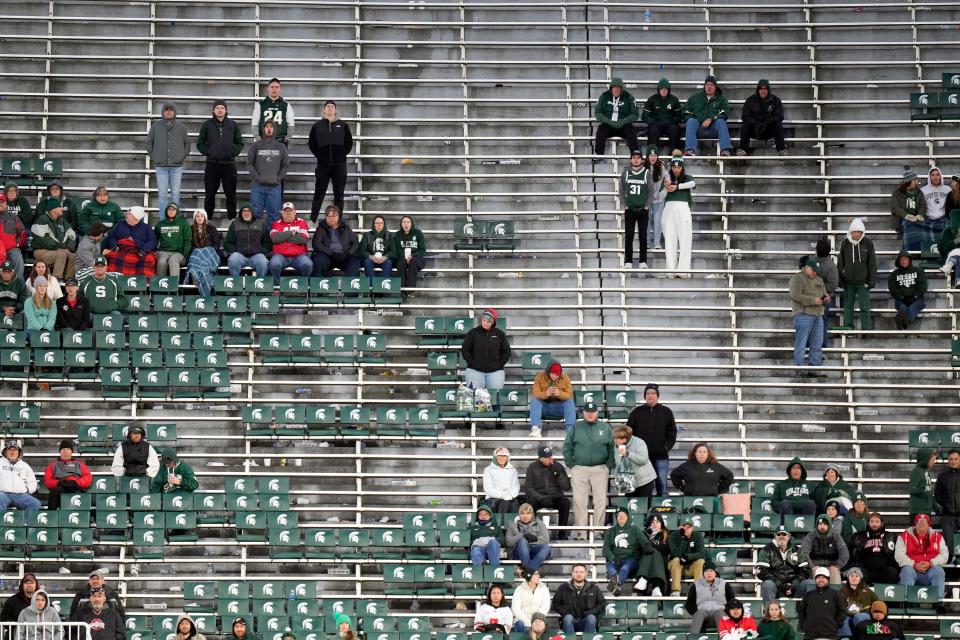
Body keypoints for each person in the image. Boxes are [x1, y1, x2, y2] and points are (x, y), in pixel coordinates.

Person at [564, 402, 614, 538]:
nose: (590, 414)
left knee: (600, 501)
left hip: (600, 468)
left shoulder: (605, 427)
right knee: (579, 501)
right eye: (588, 411)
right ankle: (582, 532)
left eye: (593, 411)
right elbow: (567, 446)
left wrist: (608, 465)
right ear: (583, 413)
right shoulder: (576, 427)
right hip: (579, 468)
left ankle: (598, 531)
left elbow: (611, 447)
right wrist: (571, 464)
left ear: (597, 412)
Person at [626, 383, 676, 496]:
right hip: (641, 458)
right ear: (644, 396)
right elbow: (629, 432)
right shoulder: (636, 412)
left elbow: (672, 432)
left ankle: (661, 511)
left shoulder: (666, 412)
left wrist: (665, 447)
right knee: (641, 486)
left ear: (657, 395)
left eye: (653, 393)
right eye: (648, 393)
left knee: (662, 488)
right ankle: (642, 511)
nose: (650, 395)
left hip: (660, 457)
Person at [197, 99, 243, 220]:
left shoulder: (233, 125)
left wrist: (233, 152)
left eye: (222, 107)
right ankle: (208, 220)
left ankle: (232, 219)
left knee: (231, 194)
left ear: (226, 110)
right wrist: (208, 152)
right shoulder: (207, 125)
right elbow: (200, 143)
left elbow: (240, 143)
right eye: (217, 108)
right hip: (212, 165)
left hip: (229, 165)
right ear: (213, 110)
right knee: (210, 194)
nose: (220, 110)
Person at [309, 100, 353, 218]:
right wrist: (320, 155)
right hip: (323, 165)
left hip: (339, 165)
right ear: (324, 110)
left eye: (332, 106)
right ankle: (313, 218)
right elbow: (311, 143)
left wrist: (341, 154)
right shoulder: (317, 126)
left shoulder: (343, 125)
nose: (329, 108)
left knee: (339, 194)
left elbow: (349, 143)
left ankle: (338, 219)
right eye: (327, 106)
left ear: (335, 110)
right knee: (319, 192)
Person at [602, 506, 658, 596]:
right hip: (615, 559)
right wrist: (613, 558)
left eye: (623, 515)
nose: (621, 517)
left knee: (625, 568)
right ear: (616, 517)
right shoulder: (610, 531)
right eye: (619, 515)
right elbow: (605, 549)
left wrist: (647, 545)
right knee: (611, 570)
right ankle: (615, 587)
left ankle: (615, 584)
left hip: (630, 559)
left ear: (628, 517)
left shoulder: (634, 529)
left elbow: (643, 541)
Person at [147, 103, 190, 215]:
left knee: (175, 193)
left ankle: (175, 218)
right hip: (161, 166)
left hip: (176, 167)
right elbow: (149, 143)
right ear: (163, 112)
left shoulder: (181, 127)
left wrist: (182, 156)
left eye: (171, 110)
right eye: (167, 110)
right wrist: (155, 157)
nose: (169, 112)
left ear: (174, 112)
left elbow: (187, 143)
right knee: (162, 194)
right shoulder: (155, 126)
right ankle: (163, 219)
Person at [790, 257, 828, 376]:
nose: (816, 273)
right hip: (803, 314)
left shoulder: (819, 280)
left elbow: (824, 293)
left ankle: (814, 370)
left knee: (817, 345)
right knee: (801, 345)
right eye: (814, 270)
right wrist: (813, 301)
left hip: (818, 315)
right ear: (807, 268)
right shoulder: (797, 278)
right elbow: (795, 295)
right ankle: (799, 370)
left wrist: (826, 298)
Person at [894, 513, 947, 599]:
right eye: (919, 521)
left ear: (929, 525)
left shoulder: (938, 537)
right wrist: (914, 564)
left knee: (939, 570)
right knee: (906, 570)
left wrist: (931, 563)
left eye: (924, 521)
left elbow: (944, 555)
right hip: (913, 570)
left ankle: (938, 601)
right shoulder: (904, 536)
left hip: (930, 570)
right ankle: (906, 600)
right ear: (915, 524)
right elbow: (899, 555)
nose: (921, 523)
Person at [837, 218, 876, 331]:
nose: (856, 234)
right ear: (851, 232)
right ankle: (848, 327)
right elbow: (841, 262)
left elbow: (872, 263)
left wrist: (871, 280)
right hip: (848, 282)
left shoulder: (868, 243)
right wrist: (840, 280)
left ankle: (866, 328)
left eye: (859, 232)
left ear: (862, 232)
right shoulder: (845, 243)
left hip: (863, 282)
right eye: (854, 231)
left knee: (864, 306)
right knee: (848, 306)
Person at [523, 445, 572, 538]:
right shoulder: (532, 467)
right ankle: (530, 533)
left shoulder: (557, 466)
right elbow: (529, 488)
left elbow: (566, 487)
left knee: (566, 503)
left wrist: (558, 474)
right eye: (548, 457)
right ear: (541, 459)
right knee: (529, 503)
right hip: (539, 497)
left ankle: (562, 534)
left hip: (555, 498)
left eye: (551, 456)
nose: (551, 459)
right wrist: (540, 498)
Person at [247, 120, 289, 225]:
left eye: (271, 127)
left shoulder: (281, 147)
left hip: (275, 187)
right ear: (263, 129)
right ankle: (257, 240)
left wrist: (278, 178)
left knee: (274, 215)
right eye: (267, 127)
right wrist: (257, 177)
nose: (269, 129)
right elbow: (249, 163)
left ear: (274, 129)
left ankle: (271, 240)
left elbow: (285, 165)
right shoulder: (256, 146)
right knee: (256, 214)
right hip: (258, 186)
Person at [756, 526, 812, 605]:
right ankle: (768, 614)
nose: (781, 537)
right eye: (779, 534)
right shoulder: (767, 550)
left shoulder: (798, 550)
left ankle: (809, 615)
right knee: (767, 584)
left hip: (795, 587)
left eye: (784, 534)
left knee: (809, 583)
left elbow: (805, 570)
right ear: (775, 536)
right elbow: (761, 572)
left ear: (789, 536)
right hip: (776, 587)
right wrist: (780, 584)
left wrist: (794, 585)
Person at [460, 307, 510, 390]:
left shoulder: (499, 334)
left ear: (493, 322)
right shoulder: (473, 333)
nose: (485, 323)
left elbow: (507, 351)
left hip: (495, 372)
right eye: (483, 320)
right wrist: (472, 363)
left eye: (488, 321)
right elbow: (465, 350)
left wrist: (499, 365)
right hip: (475, 371)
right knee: (477, 399)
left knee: (494, 398)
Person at [683, 75, 733, 157]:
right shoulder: (695, 98)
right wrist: (696, 120)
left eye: (712, 85)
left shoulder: (721, 99)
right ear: (704, 86)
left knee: (721, 121)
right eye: (707, 84)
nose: (709, 87)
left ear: (715, 87)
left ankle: (725, 150)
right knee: (691, 121)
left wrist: (711, 118)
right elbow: (685, 111)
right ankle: (690, 150)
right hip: (699, 129)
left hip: (714, 129)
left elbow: (725, 112)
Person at [662, 153, 695, 276]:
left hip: (683, 208)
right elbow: (660, 196)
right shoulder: (666, 179)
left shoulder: (687, 177)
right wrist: (666, 188)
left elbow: (693, 184)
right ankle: (670, 271)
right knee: (670, 241)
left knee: (685, 240)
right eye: (674, 167)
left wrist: (677, 187)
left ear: (682, 167)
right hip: (669, 209)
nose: (676, 169)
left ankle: (683, 271)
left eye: (678, 167)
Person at [104, 206, 158, 276]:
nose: (126, 215)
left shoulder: (146, 227)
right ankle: (117, 280)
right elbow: (112, 237)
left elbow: (152, 241)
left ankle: (143, 283)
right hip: (121, 250)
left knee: (148, 259)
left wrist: (144, 250)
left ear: (135, 217)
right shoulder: (119, 225)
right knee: (114, 257)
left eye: (129, 214)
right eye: (127, 213)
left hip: (139, 251)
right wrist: (114, 246)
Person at [737, 79, 786, 156]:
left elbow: (779, 116)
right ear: (758, 90)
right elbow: (745, 116)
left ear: (768, 90)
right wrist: (756, 123)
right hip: (755, 130)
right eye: (761, 89)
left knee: (778, 125)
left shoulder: (775, 100)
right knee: (746, 125)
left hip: (769, 130)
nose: (763, 91)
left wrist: (767, 123)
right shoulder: (751, 100)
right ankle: (743, 150)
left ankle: (782, 150)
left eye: (765, 89)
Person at [552, 564, 605, 634]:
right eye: (576, 572)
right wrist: (567, 612)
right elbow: (556, 604)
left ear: (586, 574)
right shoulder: (563, 588)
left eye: (581, 572)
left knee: (591, 618)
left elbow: (602, 604)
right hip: (570, 621)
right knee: (568, 618)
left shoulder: (594, 588)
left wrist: (590, 612)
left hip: (586, 621)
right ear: (572, 573)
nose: (579, 574)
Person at [528, 360, 575, 438]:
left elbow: (569, 394)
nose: (554, 376)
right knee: (534, 401)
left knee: (569, 402)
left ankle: (570, 430)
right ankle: (536, 428)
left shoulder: (565, 378)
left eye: (557, 375)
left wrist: (559, 394)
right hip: (544, 407)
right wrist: (546, 394)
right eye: (552, 373)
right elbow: (536, 393)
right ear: (548, 371)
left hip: (558, 408)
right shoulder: (539, 377)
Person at [268, 203, 312, 286]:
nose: (288, 213)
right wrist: (292, 233)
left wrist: (283, 238)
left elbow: (303, 239)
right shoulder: (276, 223)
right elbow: (275, 239)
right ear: (282, 213)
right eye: (286, 211)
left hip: (299, 255)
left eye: (290, 211)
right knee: (274, 264)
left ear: (294, 212)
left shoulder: (301, 222)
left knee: (308, 264)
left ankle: (303, 287)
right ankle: (276, 287)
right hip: (280, 255)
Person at [31, 202, 77, 280]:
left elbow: (72, 236)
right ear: (53, 209)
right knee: (61, 254)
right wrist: (59, 248)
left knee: (73, 256)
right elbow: (44, 240)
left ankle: (69, 280)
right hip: (41, 251)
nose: (62, 209)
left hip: (60, 250)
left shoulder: (62, 221)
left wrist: (68, 248)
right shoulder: (42, 220)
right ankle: (56, 280)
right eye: (60, 207)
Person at [593, 77, 639, 155]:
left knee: (631, 131)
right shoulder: (604, 96)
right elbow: (597, 113)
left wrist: (623, 121)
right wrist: (608, 121)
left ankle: (635, 156)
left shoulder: (628, 97)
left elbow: (635, 114)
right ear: (611, 88)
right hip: (608, 124)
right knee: (601, 130)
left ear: (621, 89)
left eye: (618, 87)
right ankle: (599, 155)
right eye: (614, 87)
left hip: (623, 124)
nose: (616, 89)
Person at [683, 559, 733, 631]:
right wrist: (697, 611)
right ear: (703, 573)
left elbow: (731, 601)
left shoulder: (724, 584)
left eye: (711, 571)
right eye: (706, 571)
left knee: (720, 613)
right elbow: (689, 604)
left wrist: (726, 611)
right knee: (699, 613)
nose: (709, 573)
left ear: (715, 573)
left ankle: (725, 638)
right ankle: (693, 637)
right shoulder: (696, 585)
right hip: (703, 615)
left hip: (720, 613)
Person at [669, 442, 734, 496]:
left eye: (704, 452)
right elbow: (674, 475)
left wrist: (719, 490)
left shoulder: (716, 466)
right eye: (699, 452)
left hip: (711, 500)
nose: (702, 454)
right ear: (695, 453)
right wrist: (682, 488)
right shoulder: (687, 466)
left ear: (708, 454)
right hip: (690, 499)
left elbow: (729, 476)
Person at [311, 205, 360, 277]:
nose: (331, 218)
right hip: (328, 256)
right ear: (326, 217)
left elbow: (355, 242)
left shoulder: (345, 227)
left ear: (338, 216)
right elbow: (316, 244)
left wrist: (348, 253)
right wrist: (331, 253)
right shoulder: (321, 228)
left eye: (334, 216)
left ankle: (349, 285)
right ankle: (319, 284)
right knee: (319, 260)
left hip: (344, 256)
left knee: (354, 262)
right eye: (329, 216)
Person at [620, 149, 650, 269]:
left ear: (642, 160)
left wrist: (647, 205)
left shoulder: (646, 172)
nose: (636, 160)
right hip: (630, 209)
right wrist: (625, 204)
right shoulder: (626, 172)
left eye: (638, 158)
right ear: (630, 159)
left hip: (643, 209)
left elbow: (651, 190)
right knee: (629, 236)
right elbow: (622, 190)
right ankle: (628, 261)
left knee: (643, 235)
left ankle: (643, 261)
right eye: (634, 157)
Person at [43, 439, 92, 509]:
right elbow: (48, 481)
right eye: (63, 449)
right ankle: (52, 515)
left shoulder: (79, 464)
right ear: (60, 452)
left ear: (71, 452)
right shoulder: (52, 465)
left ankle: (82, 517)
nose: (65, 451)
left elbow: (88, 478)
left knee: (79, 493)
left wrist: (76, 482)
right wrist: (59, 482)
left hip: (75, 486)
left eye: (68, 449)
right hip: (60, 488)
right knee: (55, 491)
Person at [798, 567, 845, 640]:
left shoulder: (835, 594)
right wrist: (804, 625)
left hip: (830, 635)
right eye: (818, 577)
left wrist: (835, 625)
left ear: (828, 579)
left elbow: (841, 611)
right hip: (810, 635)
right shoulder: (808, 594)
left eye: (823, 577)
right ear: (815, 579)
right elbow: (801, 611)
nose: (821, 580)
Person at [224, 203, 270, 277]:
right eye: (244, 211)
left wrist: (262, 251)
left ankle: (260, 284)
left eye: (248, 211)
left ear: (252, 212)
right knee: (233, 260)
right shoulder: (235, 224)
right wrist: (234, 250)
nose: (246, 213)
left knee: (263, 262)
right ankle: (236, 284)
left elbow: (267, 242)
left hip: (256, 255)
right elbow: (227, 243)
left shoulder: (261, 224)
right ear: (241, 213)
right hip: (239, 255)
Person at [800, 515, 849, 585]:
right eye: (820, 524)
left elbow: (845, 553)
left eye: (825, 524)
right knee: (816, 574)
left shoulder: (835, 536)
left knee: (835, 573)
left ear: (829, 525)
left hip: (832, 565)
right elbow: (803, 552)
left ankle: (835, 594)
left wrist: (837, 566)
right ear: (817, 525)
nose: (822, 526)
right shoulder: (811, 535)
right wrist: (812, 566)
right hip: (815, 565)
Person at [852, 514, 900, 585]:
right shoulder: (859, 536)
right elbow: (853, 554)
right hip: (866, 570)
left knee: (892, 572)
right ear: (868, 523)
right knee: (857, 573)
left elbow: (896, 554)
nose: (874, 524)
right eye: (872, 521)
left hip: (885, 570)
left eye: (877, 522)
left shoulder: (891, 536)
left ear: (882, 523)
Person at [185, 210, 222, 297]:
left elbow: (217, 245)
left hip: (210, 255)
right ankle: (201, 283)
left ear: (205, 217)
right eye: (197, 216)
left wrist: (205, 251)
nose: (200, 218)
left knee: (201, 256)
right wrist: (199, 252)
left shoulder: (212, 228)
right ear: (194, 218)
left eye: (202, 216)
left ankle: (197, 280)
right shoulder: (190, 229)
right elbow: (188, 244)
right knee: (197, 253)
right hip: (196, 255)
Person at [612, 425, 657, 497]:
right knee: (630, 505)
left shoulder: (639, 443)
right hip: (628, 481)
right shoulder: (616, 446)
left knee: (644, 505)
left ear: (624, 439)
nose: (614, 440)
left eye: (617, 438)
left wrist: (627, 454)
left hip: (644, 480)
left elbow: (643, 460)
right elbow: (618, 463)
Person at [887, 251, 927, 330]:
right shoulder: (894, 274)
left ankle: (902, 321)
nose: (903, 261)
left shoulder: (918, 271)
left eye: (905, 259)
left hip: (917, 299)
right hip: (901, 299)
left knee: (913, 308)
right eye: (901, 259)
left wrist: (915, 296)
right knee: (903, 308)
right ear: (898, 261)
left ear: (909, 260)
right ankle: (904, 322)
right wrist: (902, 297)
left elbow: (923, 286)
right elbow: (892, 288)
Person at [890, 170, 929, 252]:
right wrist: (906, 215)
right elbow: (895, 208)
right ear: (908, 181)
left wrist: (920, 214)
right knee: (908, 225)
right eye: (914, 180)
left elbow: (923, 205)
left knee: (922, 228)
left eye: (916, 180)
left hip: (916, 218)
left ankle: (921, 251)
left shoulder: (919, 192)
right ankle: (908, 251)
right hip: (901, 219)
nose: (916, 182)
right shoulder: (897, 193)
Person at [641, 79, 682, 154]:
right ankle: (654, 155)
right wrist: (653, 122)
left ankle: (674, 155)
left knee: (675, 129)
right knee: (652, 130)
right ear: (658, 89)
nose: (664, 91)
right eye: (662, 89)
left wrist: (671, 122)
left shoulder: (674, 99)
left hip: (669, 124)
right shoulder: (652, 99)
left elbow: (679, 116)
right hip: (656, 124)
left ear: (669, 90)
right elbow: (645, 116)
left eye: (666, 89)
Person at [668, 516, 707, 596]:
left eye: (689, 527)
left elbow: (702, 554)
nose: (686, 529)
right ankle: (676, 590)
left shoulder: (698, 536)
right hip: (675, 567)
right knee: (676, 560)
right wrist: (684, 539)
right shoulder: (673, 535)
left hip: (690, 567)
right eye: (684, 527)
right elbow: (675, 553)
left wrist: (688, 557)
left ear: (692, 528)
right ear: (679, 527)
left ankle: (698, 591)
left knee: (701, 561)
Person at [507, 503, 551, 572]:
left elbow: (545, 540)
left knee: (546, 547)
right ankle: (530, 572)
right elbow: (509, 542)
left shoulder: (539, 523)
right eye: (522, 513)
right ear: (519, 515)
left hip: (535, 550)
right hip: (519, 551)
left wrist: (533, 539)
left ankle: (528, 571)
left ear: (532, 514)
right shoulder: (512, 525)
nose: (525, 516)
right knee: (522, 541)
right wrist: (523, 536)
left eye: (528, 513)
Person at [390, 215, 426, 292]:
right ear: (401, 224)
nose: (406, 224)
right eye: (404, 222)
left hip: (416, 258)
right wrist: (404, 257)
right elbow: (396, 250)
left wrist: (412, 256)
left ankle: (410, 290)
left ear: (411, 223)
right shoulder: (398, 234)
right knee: (401, 263)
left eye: (408, 222)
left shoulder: (418, 233)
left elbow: (422, 250)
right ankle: (402, 290)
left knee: (412, 262)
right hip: (402, 258)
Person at [154, 203, 191, 278]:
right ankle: (161, 286)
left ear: (177, 211)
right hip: (163, 252)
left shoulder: (184, 224)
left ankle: (174, 287)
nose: (171, 211)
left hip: (178, 253)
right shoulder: (160, 224)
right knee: (161, 262)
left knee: (173, 260)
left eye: (173, 209)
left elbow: (187, 241)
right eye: (169, 209)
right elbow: (154, 240)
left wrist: (185, 256)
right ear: (166, 211)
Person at [838, 568, 878, 638]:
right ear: (848, 578)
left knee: (859, 616)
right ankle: (845, 638)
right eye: (851, 576)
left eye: (857, 576)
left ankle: (867, 637)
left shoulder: (867, 591)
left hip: (865, 615)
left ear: (860, 578)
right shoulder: (843, 591)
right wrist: (848, 611)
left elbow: (878, 603)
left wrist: (867, 611)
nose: (854, 578)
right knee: (843, 618)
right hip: (849, 616)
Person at [0, 442, 39, 511]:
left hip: (20, 494)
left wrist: (28, 489)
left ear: (19, 453)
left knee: (35, 504)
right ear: (5, 452)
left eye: (15, 450)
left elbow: (32, 481)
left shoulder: (24, 465)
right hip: (3, 493)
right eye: (10, 450)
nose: (12, 452)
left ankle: (24, 521)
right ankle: (2, 521)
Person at [816, 239, 839, 350]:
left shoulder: (830, 266)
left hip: (822, 298)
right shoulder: (813, 262)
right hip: (811, 298)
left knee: (821, 322)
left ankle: (821, 345)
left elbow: (833, 284)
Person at [482, 446, 521, 513]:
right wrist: (503, 496)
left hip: (510, 499)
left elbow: (516, 486)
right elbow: (488, 489)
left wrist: (511, 495)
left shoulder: (512, 470)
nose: (502, 458)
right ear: (495, 457)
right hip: (494, 500)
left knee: (513, 504)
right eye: (499, 456)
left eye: (504, 456)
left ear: (507, 457)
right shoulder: (488, 470)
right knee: (503, 504)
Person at [645, 146, 669, 251]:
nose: (653, 158)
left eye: (655, 155)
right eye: (651, 155)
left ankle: (657, 243)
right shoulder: (643, 167)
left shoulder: (661, 167)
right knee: (646, 221)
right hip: (646, 200)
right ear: (647, 156)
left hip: (658, 199)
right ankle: (646, 242)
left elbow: (667, 180)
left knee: (657, 220)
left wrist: (663, 193)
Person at [908, 447, 940, 522]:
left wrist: (935, 507)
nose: (934, 462)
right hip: (918, 511)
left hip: (926, 511)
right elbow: (911, 489)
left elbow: (928, 492)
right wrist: (920, 489)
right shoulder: (916, 471)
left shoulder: (925, 472)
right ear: (925, 459)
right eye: (932, 460)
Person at [469, 502, 505, 567]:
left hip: (492, 549)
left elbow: (502, 540)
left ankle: (494, 569)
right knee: (475, 551)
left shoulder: (497, 528)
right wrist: (476, 541)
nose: (483, 516)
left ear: (490, 515)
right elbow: (467, 541)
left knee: (493, 542)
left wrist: (490, 540)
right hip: (479, 548)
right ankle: (483, 566)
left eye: (486, 514)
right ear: (477, 516)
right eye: (481, 514)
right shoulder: (472, 528)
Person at [358, 215, 393, 281]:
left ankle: (382, 286)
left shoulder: (389, 235)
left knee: (388, 263)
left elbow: (393, 251)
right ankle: (372, 285)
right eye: (377, 223)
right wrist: (371, 257)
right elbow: (362, 251)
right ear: (374, 224)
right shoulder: (367, 235)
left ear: (384, 224)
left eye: (381, 223)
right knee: (367, 262)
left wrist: (384, 257)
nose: (379, 225)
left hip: (384, 259)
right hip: (371, 259)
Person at [0, 193, 26, 277]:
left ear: (6, 204)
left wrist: (17, 244)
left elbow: (22, 233)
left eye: (2, 202)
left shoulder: (13, 217)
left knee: (17, 257)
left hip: (11, 249)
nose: (0, 204)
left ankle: (19, 284)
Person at [644, 514, 670, 596]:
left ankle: (657, 587)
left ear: (661, 524)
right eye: (653, 522)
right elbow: (643, 549)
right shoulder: (645, 534)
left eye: (657, 522)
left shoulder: (666, 535)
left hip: (661, 562)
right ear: (649, 525)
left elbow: (666, 550)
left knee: (656, 555)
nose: (655, 524)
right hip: (646, 561)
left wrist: (653, 541)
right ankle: (655, 587)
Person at [921, 167, 951, 237]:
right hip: (928, 219)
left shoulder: (947, 189)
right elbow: (920, 206)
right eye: (933, 175)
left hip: (944, 218)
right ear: (929, 177)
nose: (935, 177)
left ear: (940, 176)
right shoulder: (923, 190)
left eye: (937, 174)